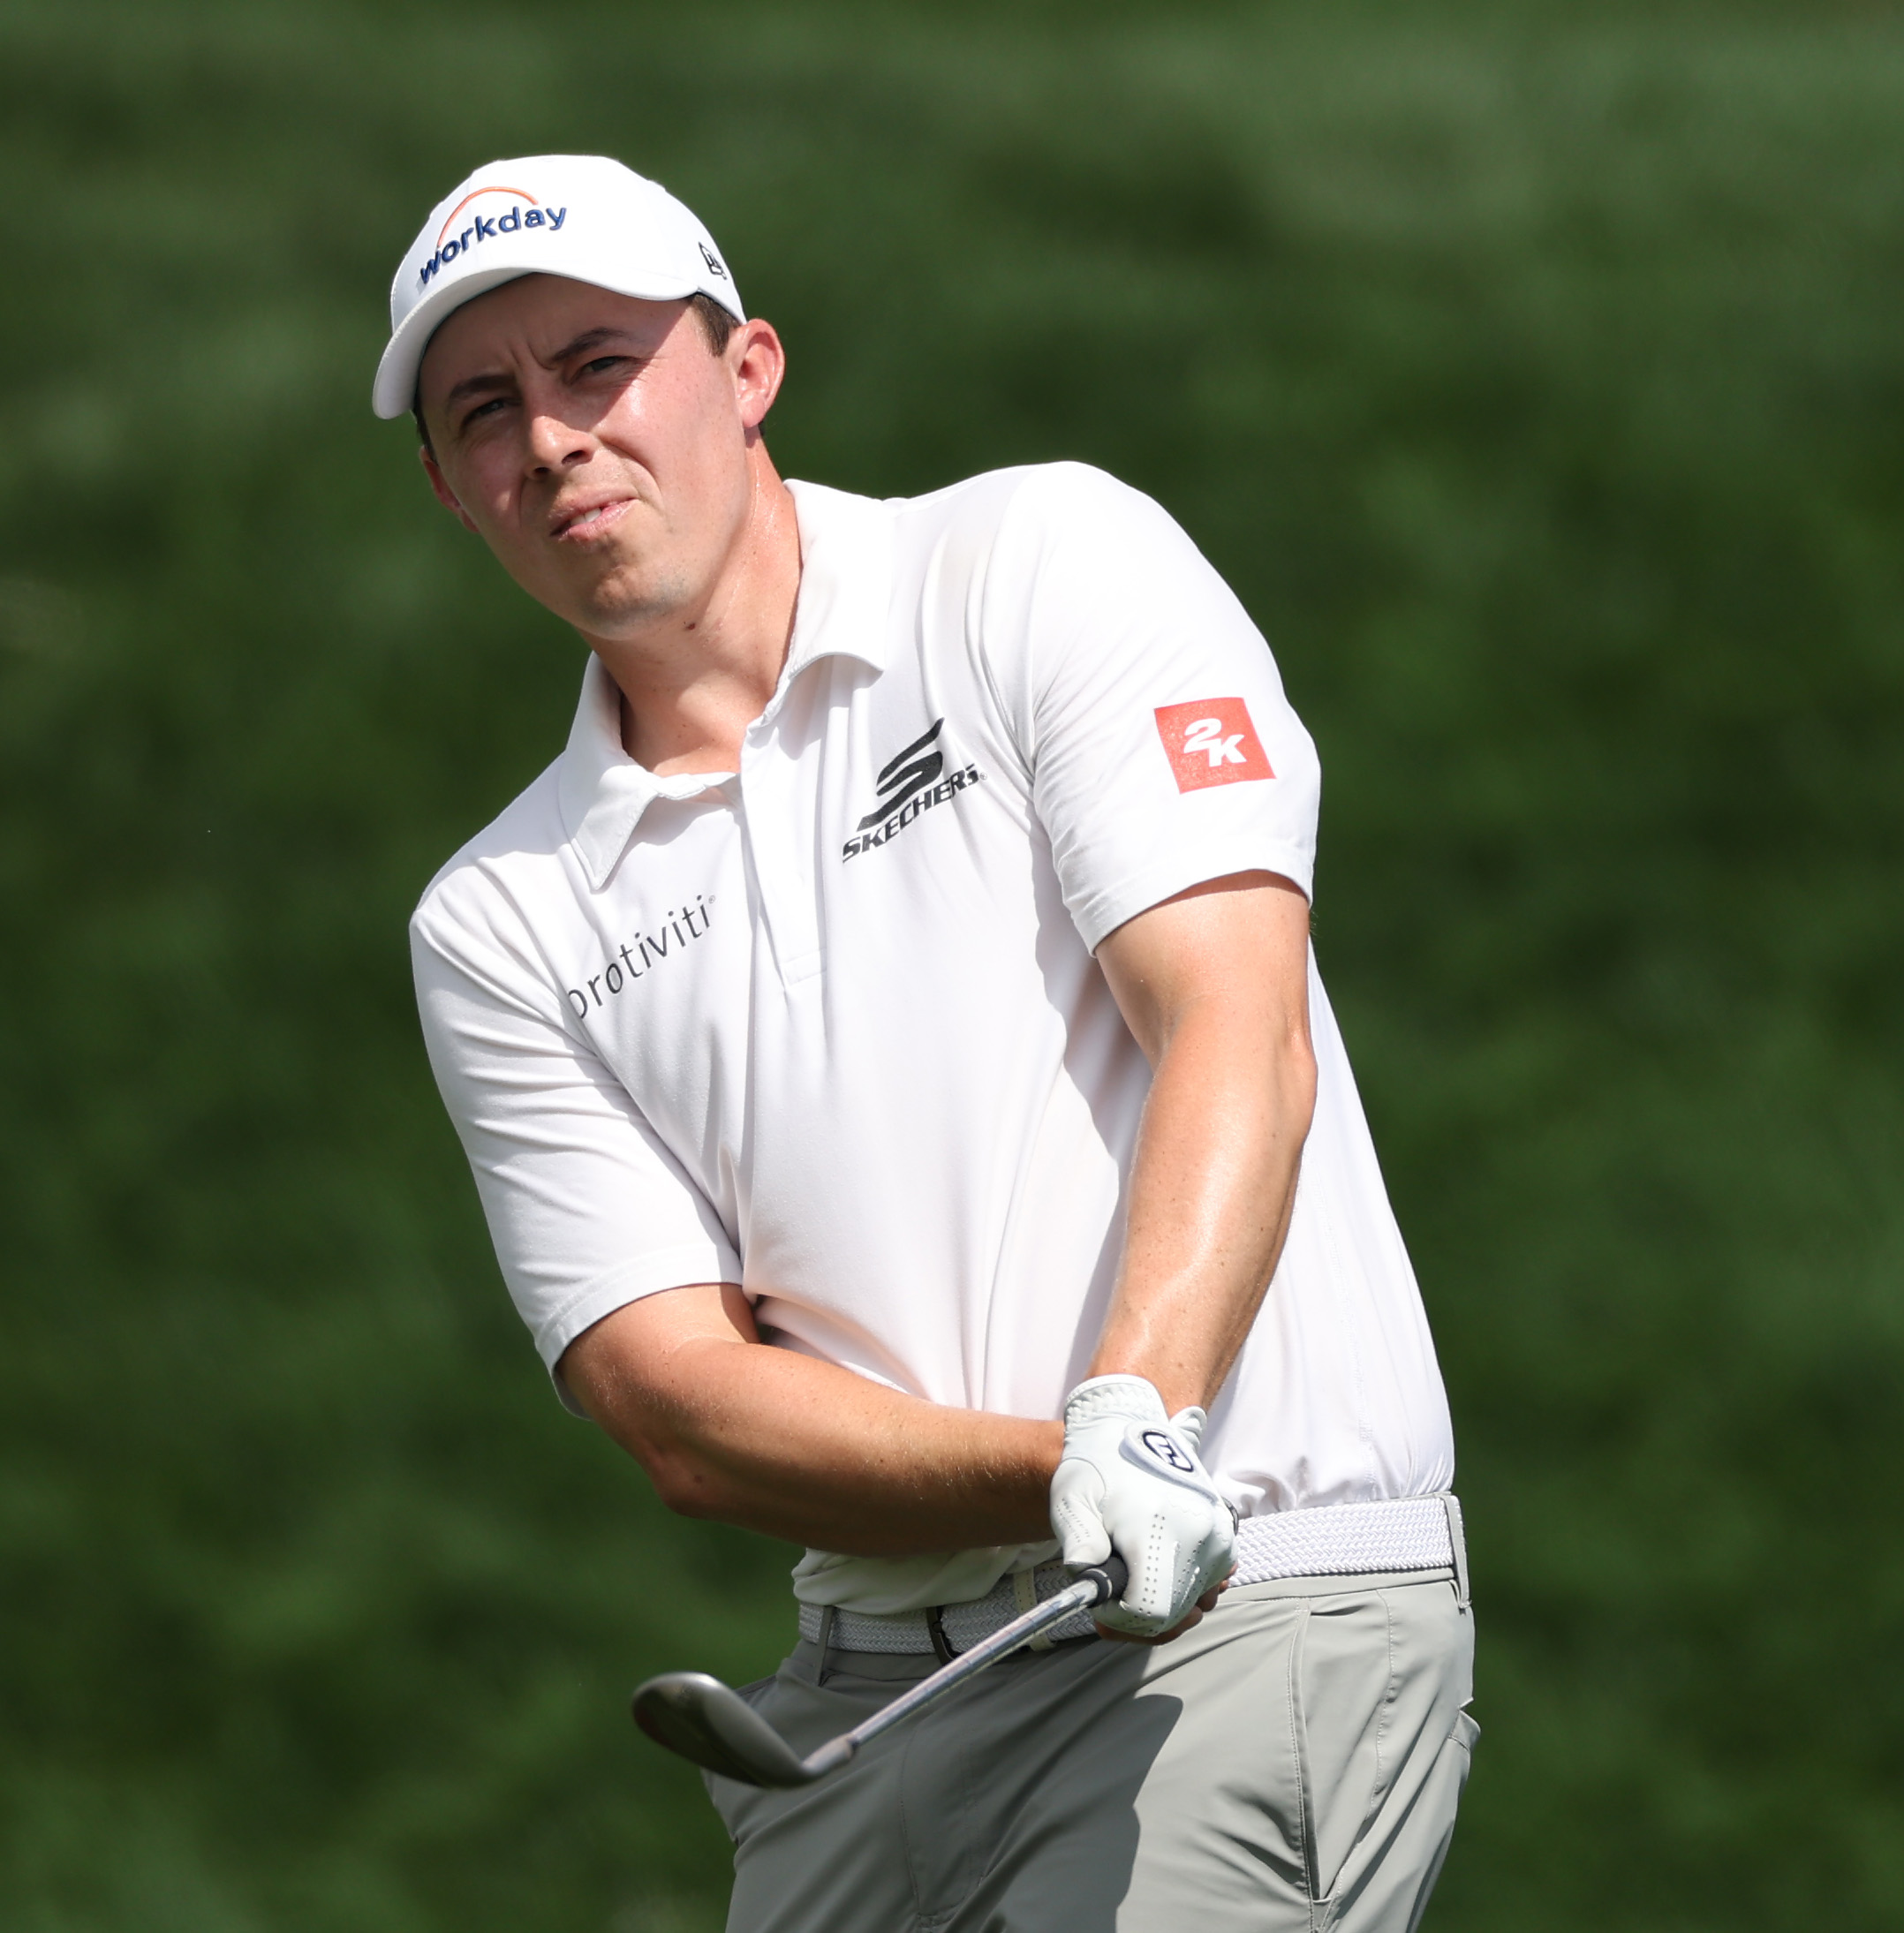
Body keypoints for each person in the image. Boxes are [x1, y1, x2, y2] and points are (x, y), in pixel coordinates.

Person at [386, 154, 1475, 1932]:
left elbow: (1233, 1020)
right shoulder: (501, 916)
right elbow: (679, 1403)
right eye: (487, 410)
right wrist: (1065, 1474)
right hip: (872, 1698)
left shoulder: (1034, 557)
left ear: (745, 371)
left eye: (597, 366)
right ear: (451, 487)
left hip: (1243, 1613)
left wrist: (1145, 1415)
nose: (556, 440)